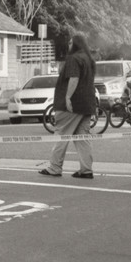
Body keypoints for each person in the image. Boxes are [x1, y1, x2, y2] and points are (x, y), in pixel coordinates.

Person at [39, 33, 97, 179]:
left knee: (61, 134)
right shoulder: (89, 60)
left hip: (71, 105)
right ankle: (86, 170)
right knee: (82, 138)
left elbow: (74, 78)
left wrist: (67, 97)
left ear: (76, 44)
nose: (69, 45)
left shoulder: (73, 58)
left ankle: (55, 168)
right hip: (87, 104)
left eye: (71, 43)